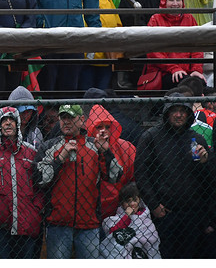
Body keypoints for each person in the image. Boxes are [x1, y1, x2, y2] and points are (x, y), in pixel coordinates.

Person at [34, 104, 123, 259]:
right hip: (58, 223)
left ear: (82, 120)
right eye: (63, 118)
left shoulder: (94, 145)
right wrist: (60, 158)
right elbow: (41, 180)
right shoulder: (49, 146)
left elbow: (115, 176)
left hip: (89, 224)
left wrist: (105, 152)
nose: (66, 122)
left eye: (71, 117)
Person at [135, 93, 214, 258]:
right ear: (166, 113)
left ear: (189, 114)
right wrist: (154, 205)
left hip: (193, 215)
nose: (179, 115)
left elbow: (208, 181)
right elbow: (142, 174)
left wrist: (205, 162)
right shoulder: (151, 137)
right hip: (165, 214)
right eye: (174, 110)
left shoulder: (196, 138)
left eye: (183, 111)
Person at [0, 107, 43, 258]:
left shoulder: (31, 152)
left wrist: (36, 209)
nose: (8, 123)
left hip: (27, 220)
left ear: (18, 124)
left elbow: (40, 185)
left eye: (11, 120)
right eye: (4, 120)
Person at [138, 0, 204, 89]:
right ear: (164, 1)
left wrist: (196, 70)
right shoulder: (155, 19)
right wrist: (174, 68)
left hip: (187, 73)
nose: (175, 3)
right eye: (171, 0)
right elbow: (153, 51)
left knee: (200, 82)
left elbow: (197, 47)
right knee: (190, 84)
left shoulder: (189, 18)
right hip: (163, 72)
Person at [100, 183, 161, 259]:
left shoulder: (144, 216)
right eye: (128, 201)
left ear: (139, 200)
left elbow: (153, 237)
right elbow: (113, 233)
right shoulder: (116, 218)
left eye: (135, 200)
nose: (132, 204)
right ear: (122, 204)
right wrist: (127, 216)